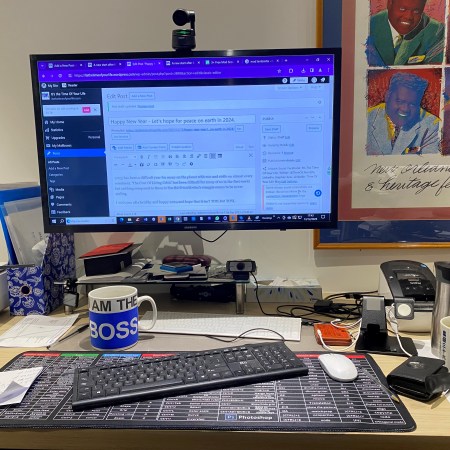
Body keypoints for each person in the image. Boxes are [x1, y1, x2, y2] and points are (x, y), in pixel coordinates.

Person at [366, 72, 440, 155]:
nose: (405, 109)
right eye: (399, 101)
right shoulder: (366, 118)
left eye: (412, 104)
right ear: (387, 96)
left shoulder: (433, 125)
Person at [367, 0, 444, 66]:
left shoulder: (437, 32)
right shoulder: (369, 27)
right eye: (402, 9)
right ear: (389, 4)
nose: (408, 17)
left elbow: (435, 72)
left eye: (416, 11)